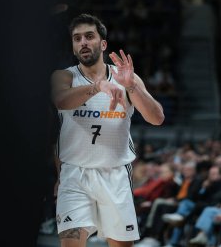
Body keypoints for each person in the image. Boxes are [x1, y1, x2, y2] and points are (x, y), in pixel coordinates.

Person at [51, 13, 164, 247]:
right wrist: (97, 86)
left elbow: (157, 118)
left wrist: (132, 87)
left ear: (102, 44)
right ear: (73, 47)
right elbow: (61, 101)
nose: (83, 42)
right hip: (75, 174)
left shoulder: (126, 79)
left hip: (115, 174)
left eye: (89, 36)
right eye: (77, 38)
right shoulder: (65, 77)